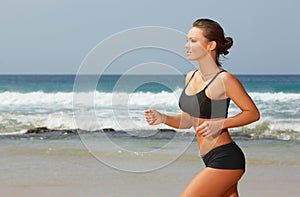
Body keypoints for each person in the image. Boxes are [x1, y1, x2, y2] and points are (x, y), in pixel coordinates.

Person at [144, 18, 260, 197]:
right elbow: (188, 120)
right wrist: (163, 118)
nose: (186, 45)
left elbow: (252, 114)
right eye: (187, 40)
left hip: (226, 159)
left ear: (211, 45)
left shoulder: (224, 80)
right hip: (208, 157)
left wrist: (220, 124)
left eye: (193, 40)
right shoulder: (190, 77)